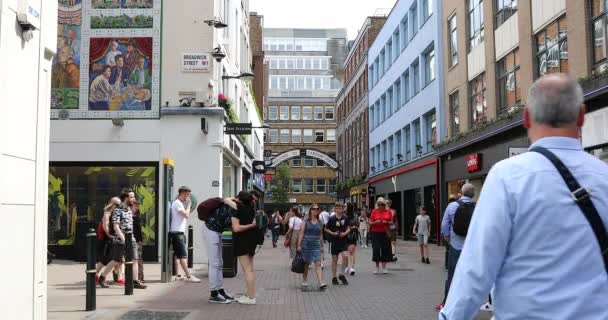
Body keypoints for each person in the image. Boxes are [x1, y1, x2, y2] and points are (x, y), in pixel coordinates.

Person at [441, 74, 608, 320]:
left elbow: (477, 268)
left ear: (526, 117)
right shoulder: (604, 176)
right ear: (581, 115)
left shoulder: (506, 177)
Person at [435, 183, 475, 311]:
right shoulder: (478, 207)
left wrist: (448, 238)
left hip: (456, 246)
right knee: (470, 276)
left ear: (461, 193)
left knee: (452, 276)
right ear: (473, 194)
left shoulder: (452, 206)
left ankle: (447, 304)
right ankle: (467, 305)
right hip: (471, 249)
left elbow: (444, 226)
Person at [98, 189, 146, 289]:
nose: (134, 199)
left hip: (131, 238)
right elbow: (116, 226)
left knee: (135, 259)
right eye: (132, 197)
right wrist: (124, 239)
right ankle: (102, 276)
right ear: (126, 198)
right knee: (116, 260)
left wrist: (131, 238)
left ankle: (135, 280)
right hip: (120, 240)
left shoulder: (129, 209)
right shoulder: (117, 210)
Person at [203, 197, 237, 304]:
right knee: (215, 263)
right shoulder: (234, 210)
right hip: (210, 230)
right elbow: (235, 228)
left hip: (216, 231)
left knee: (220, 263)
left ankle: (220, 291)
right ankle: (213, 294)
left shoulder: (232, 207)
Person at [231, 191, 258, 305]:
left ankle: (251, 298)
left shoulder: (236, 210)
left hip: (242, 242)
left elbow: (236, 228)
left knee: (247, 271)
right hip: (251, 241)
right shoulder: (251, 209)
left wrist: (250, 226)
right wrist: (251, 225)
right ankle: (249, 294)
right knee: (250, 270)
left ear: (239, 199)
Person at [170, 186, 201, 283]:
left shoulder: (178, 203)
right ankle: (188, 276)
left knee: (178, 255)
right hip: (177, 233)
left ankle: (179, 275)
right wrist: (188, 204)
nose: (188, 197)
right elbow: (186, 215)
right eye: (187, 194)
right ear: (182, 193)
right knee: (183, 255)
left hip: (178, 232)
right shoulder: (177, 203)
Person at [296, 204, 327, 290]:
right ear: (310, 210)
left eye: (317, 209)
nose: (315, 210)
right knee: (306, 263)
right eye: (314, 209)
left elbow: (321, 234)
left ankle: (321, 282)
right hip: (306, 245)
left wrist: (322, 246)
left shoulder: (320, 222)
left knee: (318, 263)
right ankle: (305, 280)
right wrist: (299, 245)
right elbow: (301, 233)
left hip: (316, 245)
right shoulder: (305, 222)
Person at [324, 202, 351, 285]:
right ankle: (334, 277)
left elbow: (349, 228)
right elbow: (326, 229)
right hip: (335, 241)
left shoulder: (346, 218)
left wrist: (344, 233)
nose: (339, 210)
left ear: (343, 209)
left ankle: (341, 274)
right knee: (334, 260)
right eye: (337, 208)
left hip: (343, 240)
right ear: (335, 209)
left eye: (341, 208)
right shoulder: (331, 218)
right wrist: (333, 233)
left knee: (345, 256)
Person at [95, 197, 120, 284]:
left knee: (107, 259)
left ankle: (96, 275)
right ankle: (94, 274)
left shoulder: (113, 214)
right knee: (105, 259)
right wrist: (110, 236)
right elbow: (105, 227)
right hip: (105, 239)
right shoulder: (107, 214)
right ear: (112, 204)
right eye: (117, 205)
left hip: (109, 239)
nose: (118, 206)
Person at [369, 197, 393, 274]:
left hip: (385, 232)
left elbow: (391, 222)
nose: (380, 206)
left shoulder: (388, 211)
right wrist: (375, 222)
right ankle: (377, 267)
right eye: (379, 204)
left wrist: (386, 222)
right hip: (375, 232)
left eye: (382, 204)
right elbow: (370, 222)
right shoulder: (374, 211)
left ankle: (384, 267)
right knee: (376, 249)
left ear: (384, 205)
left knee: (385, 249)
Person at [131, 200, 145, 282]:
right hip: (129, 240)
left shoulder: (137, 217)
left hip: (136, 240)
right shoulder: (128, 217)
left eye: (137, 206)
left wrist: (140, 240)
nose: (137, 208)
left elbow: (139, 230)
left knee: (138, 259)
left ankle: (140, 277)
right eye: (135, 206)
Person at [345, 203, 359, 276]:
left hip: (352, 235)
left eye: (345, 206)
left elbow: (357, 224)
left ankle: (352, 267)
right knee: (346, 252)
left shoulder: (355, 216)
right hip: (344, 236)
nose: (344, 207)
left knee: (352, 251)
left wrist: (352, 227)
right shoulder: (343, 216)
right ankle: (347, 266)